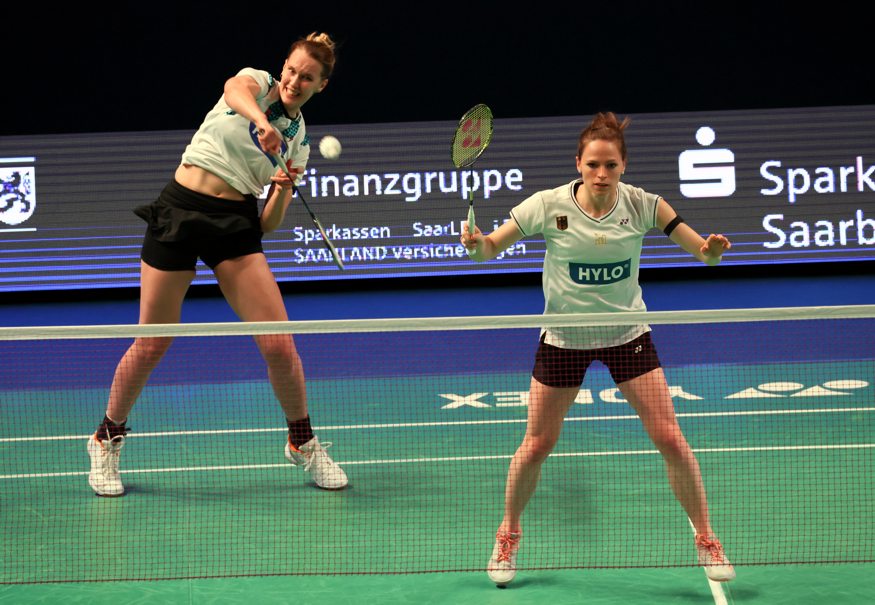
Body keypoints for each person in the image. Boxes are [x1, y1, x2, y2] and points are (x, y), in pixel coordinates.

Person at [461, 112, 734, 586]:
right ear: (578, 164)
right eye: (593, 165)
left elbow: (702, 253)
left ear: (624, 165)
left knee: (669, 437)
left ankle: (707, 538)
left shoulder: (646, 205)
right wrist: (474, 244)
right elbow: (489, 250)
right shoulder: (547, 205)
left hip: (626, 334)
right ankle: (507, 534)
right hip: (564, 338)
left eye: (610, 165)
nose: (601, 174)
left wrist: (711, 250)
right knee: (538, 443)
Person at [87, 32, 348, 496]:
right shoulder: (258, 84)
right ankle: (106, 438)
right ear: (282, 66)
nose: (293, 80)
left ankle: (302, 441)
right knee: (152, 341)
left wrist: (284, 186)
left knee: (279, 347)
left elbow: (266, 224)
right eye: (291, 70)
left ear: (320, 86)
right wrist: (260, 123)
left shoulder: (299, 140)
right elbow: (233, 89)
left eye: (306, 78)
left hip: (235, 223)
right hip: (181, 207)